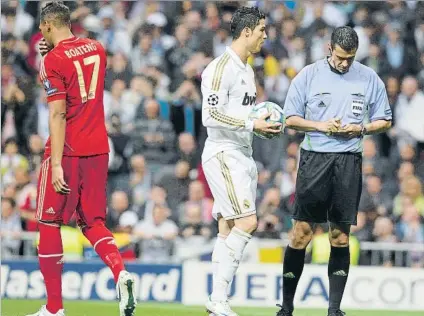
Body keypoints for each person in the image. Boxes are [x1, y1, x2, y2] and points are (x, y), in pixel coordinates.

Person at [28, 3, 136, 316]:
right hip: (99, 148)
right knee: (93, 222)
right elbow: (74, 65)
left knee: (49, 222)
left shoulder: (53, 60)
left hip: (69, 150)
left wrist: (58, 162)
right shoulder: (97, 48)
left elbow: (58, 110)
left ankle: (54, 309)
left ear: (47, 26)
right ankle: (120, 272)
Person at [277, 26, 392, 316]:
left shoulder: (369, 78)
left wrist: (361, 128)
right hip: (314, 159)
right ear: (330, 49)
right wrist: (321, 125)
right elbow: (289, 118)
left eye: (350, 59)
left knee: (340, 236)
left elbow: (385, 120)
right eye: (341, 57)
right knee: (301, 233)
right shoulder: (309, 75)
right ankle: (287, 308)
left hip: (348, 162)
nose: (344, 63)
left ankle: (334, 310)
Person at [201, 6, 281, 316]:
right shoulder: (220, 68)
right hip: (223, 152)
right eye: (262, 30)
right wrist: (252, 124)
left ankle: (216, 301)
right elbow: (211, 115)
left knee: (227, 225)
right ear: (246, 32)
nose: (265, 35)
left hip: (242, 153)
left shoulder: (247, 68)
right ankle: (219, 300)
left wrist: (259, 122)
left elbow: (241, 112)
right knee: (248, 222)